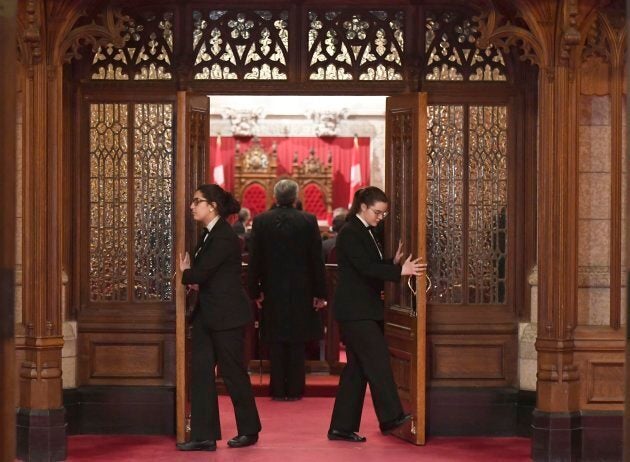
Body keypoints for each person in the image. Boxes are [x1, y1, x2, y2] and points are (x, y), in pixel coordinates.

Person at [327, 186, 422, 443]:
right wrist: (399, 272)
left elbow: (371, 264)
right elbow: (363, 267)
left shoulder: (364, 231)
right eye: (378, 212)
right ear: (363, 207)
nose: (381, 218)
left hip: (362, 309)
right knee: (378, 361)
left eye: (384, 214)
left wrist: (392, 262)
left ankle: (341, 427)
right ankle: (391, 417)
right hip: (356, 311)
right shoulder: (350, 232)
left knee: (356, 370)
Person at [177, 184, 261, 451]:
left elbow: (201, 273)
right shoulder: (208, 234)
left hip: (227, 316)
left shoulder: (223, 235)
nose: (192, 206)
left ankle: (249, 430)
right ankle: (204, 435)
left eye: (197, 201)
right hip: (207, 314)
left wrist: (186, 274)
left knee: (234, 374)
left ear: (212, 205)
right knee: (201, 373)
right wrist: (193, 276)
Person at [247, 179, 327, 401]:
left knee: (275, 339)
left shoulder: (261, 221)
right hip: (302, 289)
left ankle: (278, 390)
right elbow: (316, 260)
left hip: (272, 289)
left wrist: (255, 292)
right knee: (297, 340)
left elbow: (255, 261)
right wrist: (320, 293)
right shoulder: (308, 221)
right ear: (295, 198)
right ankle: (295, 389)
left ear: (274, 198)